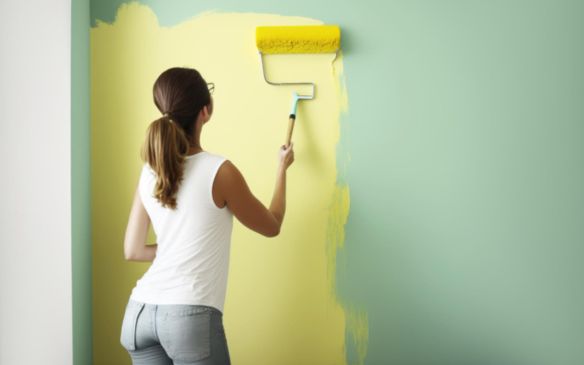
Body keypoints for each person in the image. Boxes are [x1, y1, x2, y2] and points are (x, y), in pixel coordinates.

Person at [120, 67, 294, 365]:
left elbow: (133, 250)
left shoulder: (150, 169)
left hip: (139, 314)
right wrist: (282, 168)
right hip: (188, 318)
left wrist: (179, 246)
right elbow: (272, 225)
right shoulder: (219, 171)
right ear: (206, 111)